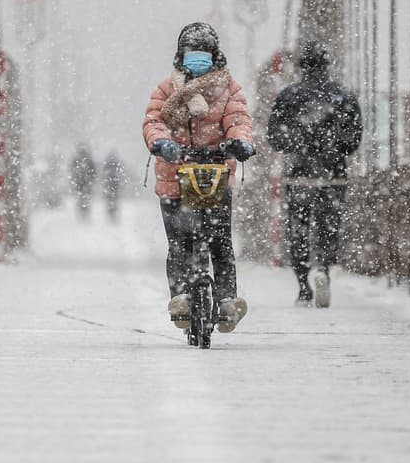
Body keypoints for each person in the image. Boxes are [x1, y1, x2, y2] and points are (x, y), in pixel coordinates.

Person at [143, 22, 256, 332]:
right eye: (193, 54)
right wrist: (161, 142)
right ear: (182, 56)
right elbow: (154, 121)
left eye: (203, 55)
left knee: (219, 242)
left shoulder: (229, 89)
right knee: (179, 242)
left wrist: (240, 141)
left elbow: (238, 120)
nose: (198, 60)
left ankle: (226, 301)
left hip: (214, 175)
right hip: (174, 177)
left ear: (214, 56)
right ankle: (179, 297)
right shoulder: (167, 90)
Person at [267, 40, 363, 307]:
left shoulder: (288, 96)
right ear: (326, 64)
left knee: (298, 229)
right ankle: (324, 268)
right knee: (327, 226)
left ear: (301, 67)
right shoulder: (343, 95)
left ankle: (303, 285)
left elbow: (274, 137)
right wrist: (333, 149)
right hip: (333, 174)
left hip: (297, 175)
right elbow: (354, 139)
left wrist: (297, 146)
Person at [70, 146, 97, 220]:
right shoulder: (89, 160)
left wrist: (74, 180)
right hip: (86, 183)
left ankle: (82, 212)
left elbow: (72, 171)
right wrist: (91, 180)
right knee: (85, 198)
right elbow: (94, 172)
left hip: (80, 183)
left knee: (81, 198)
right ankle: (85, 212)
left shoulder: (77, 160)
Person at [101, 151, 125, 222]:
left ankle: (111, 214)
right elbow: (121, 174)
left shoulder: (108, 165)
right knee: (114, 201)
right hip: (114, 186)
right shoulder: (117, 164)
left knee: (110, 201)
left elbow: (104, 175)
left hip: (110, 186)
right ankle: (113, 214)